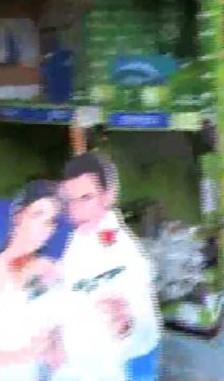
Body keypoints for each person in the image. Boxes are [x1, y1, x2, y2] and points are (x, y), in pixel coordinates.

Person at [51, 152, 160, 381]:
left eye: (86, 198)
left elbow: (149, 334)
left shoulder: (125, 255)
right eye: (71, 200)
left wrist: (126, 326)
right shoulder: (76, 241)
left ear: (108, 196)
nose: (76, 210)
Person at [0, 181, 65, 381]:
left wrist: (55, 345)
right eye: (37, 215)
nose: (44, 229)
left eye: (50, 221)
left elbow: (55, 324)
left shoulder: (50, 269)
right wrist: (21, 356)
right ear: (19, 216)